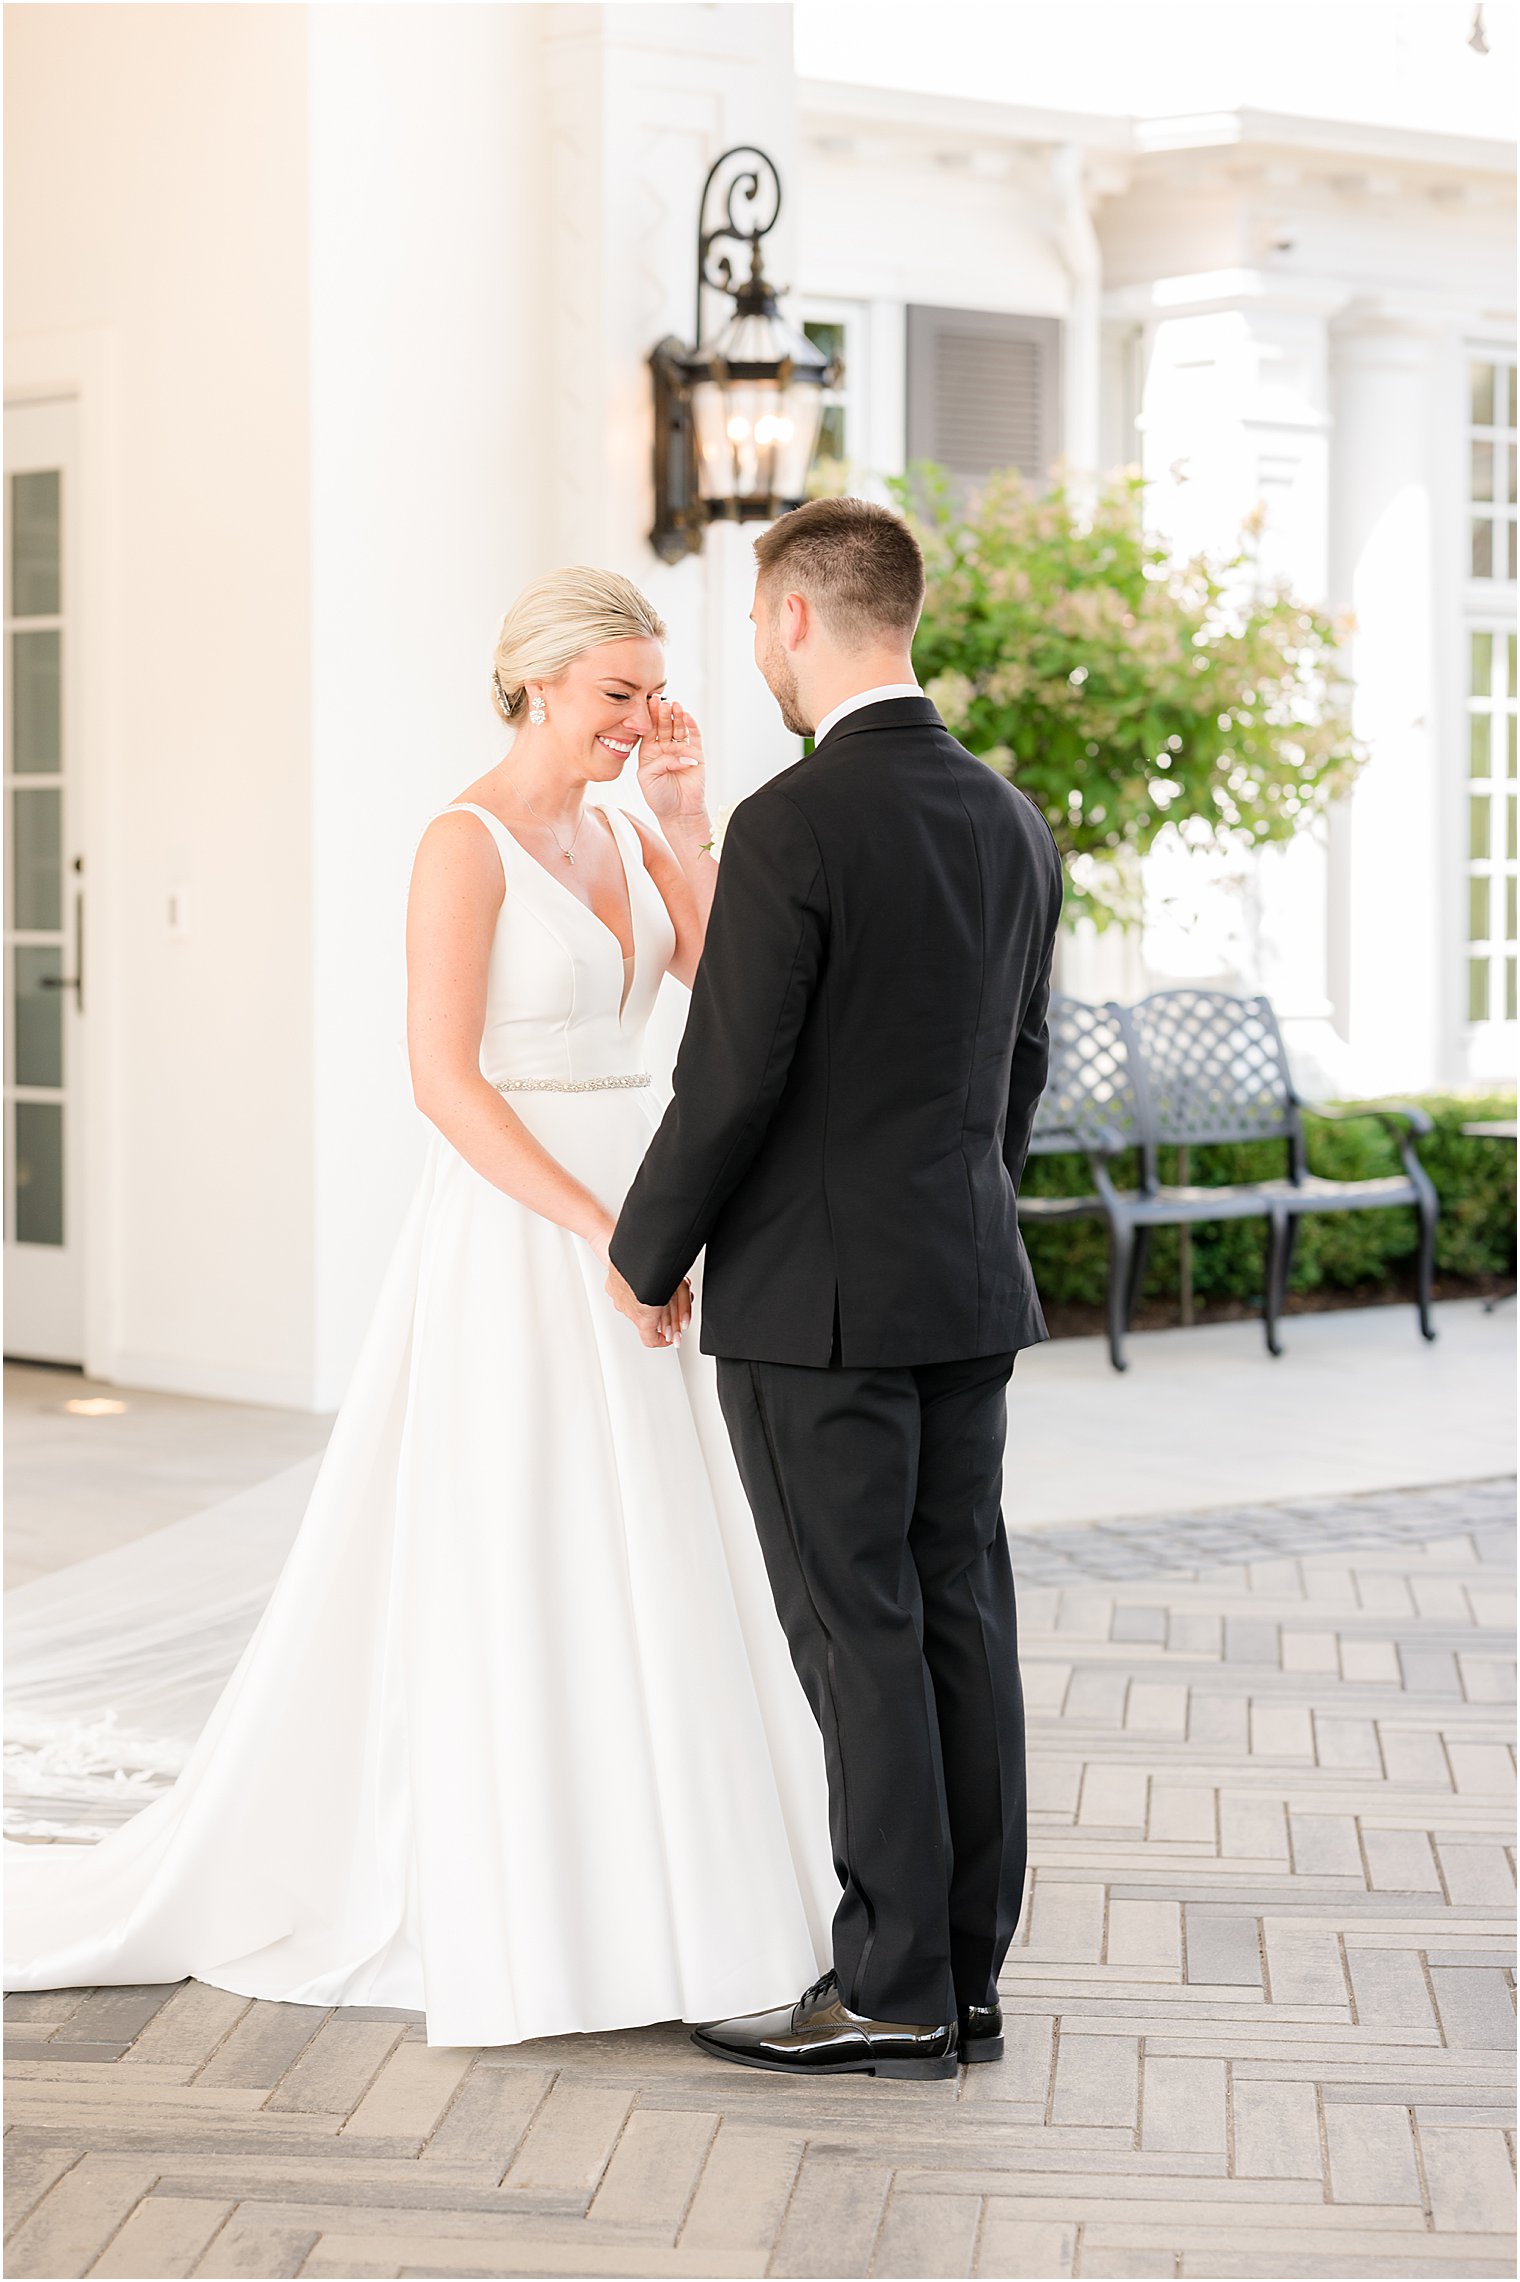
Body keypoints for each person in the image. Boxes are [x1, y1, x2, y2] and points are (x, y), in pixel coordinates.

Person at [3, 567, 840, 2050]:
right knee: (531, 1541)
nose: (644, 716)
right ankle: (536, 1895)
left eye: (656, 689)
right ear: (533, 683)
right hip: (530, 1232)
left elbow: (730, 994)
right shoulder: (463, 844)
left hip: (650, 1211)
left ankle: (680, 1882)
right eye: (617, 694)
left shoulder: (637, 826)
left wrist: (690, 813)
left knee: (663, 1539)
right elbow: (442, 1082)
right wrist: (607, 1230)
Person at [608, 497, 1064, 2082]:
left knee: (855, 1628)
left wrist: (641, 1248)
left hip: (818, 1308)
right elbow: (1020, 1078)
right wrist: (955, 1214)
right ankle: (965, 1980)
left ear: (798, 616)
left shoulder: (795, 823)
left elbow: (731, 1081)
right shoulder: (1014, 820)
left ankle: (887, 1983)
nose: (753, 650)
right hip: (964, 1281)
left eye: (752, 621)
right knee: (957, 1619)